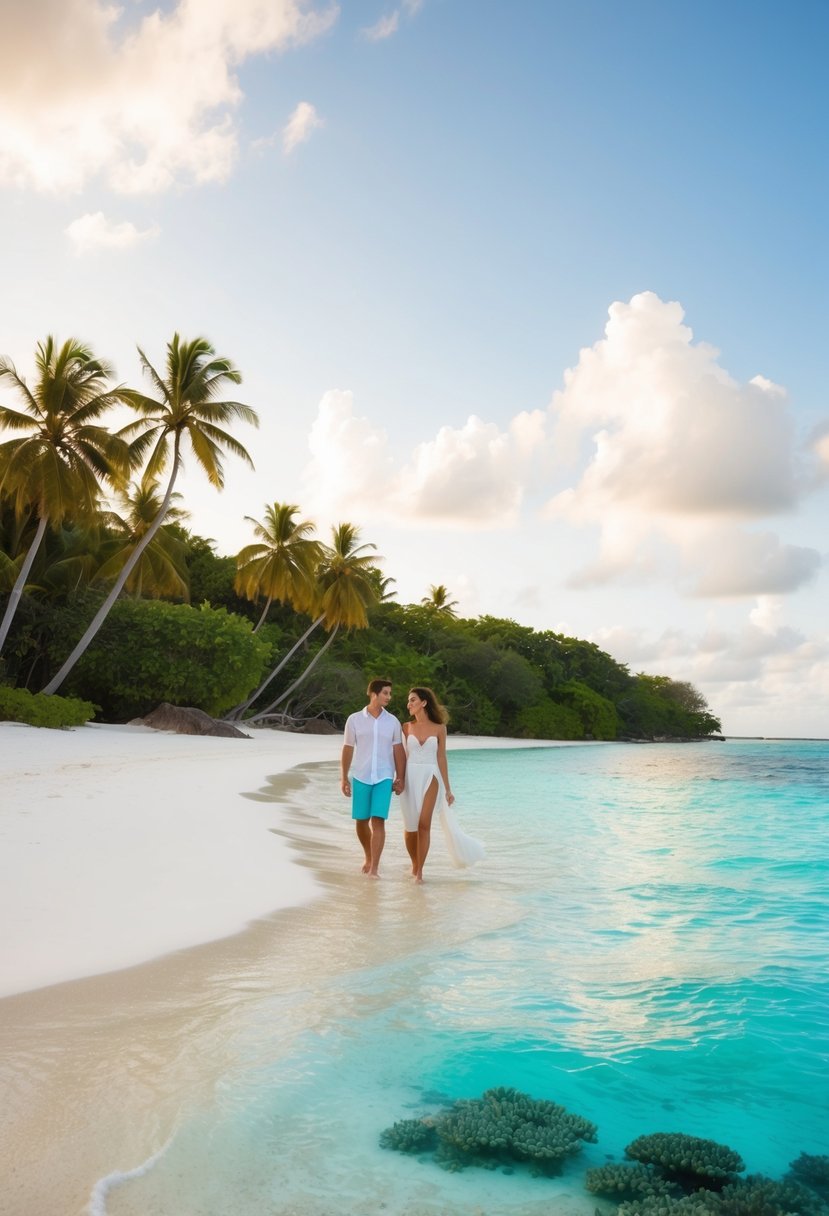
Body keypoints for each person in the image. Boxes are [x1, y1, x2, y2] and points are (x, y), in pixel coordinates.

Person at [400, 686, 485, 883]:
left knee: (423, 825)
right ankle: (414, 865)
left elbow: (441, 757)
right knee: (410, 827)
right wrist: (399, 779)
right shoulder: (405, 727)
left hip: (431, 776)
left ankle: (420, 872)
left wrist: (448, 788)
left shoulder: (439, 728)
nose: (409, 704)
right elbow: (402, 757)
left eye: (413, 700)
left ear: (424, 702)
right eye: (409, 700)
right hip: (410, 777)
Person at [341, 679, 406, 878]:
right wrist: (343, 777)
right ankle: (368, 856)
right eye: (386, 693)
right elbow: (348, 748)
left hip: (384, 777)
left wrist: (400, 777)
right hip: (361, 775)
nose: (389, 697)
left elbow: (398, 750)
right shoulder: (354, 720)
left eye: (389, 693)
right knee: (361, 821)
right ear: (374, 694)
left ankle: (375, 868)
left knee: (378, 821)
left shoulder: (393, 721)